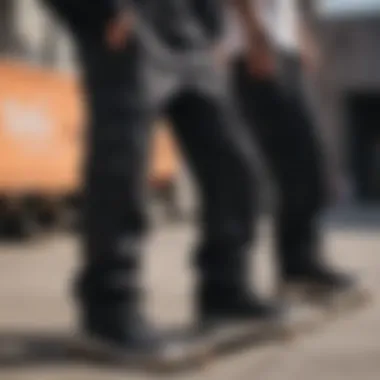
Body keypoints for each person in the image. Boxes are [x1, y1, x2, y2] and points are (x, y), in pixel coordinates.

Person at [40, 0, 284, 361]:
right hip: (127, 17)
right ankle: (109, 307)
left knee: (234, 164)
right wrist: (97, 13)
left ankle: (225, 288)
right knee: (123, 160)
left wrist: (209, 26)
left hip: (187, 29)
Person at [227, 0, 362, 305]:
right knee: (295, 163)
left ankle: (302, 262)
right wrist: (255, 34)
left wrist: (299, 38)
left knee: (309, 163)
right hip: (254, 47)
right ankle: (296, 268)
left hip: (280, 47)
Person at [317, 0, 380, 202]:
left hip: (357, 86)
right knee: (357, 144)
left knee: (358, 143)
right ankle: (364, 189)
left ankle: (366, 189)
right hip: (355, 90)